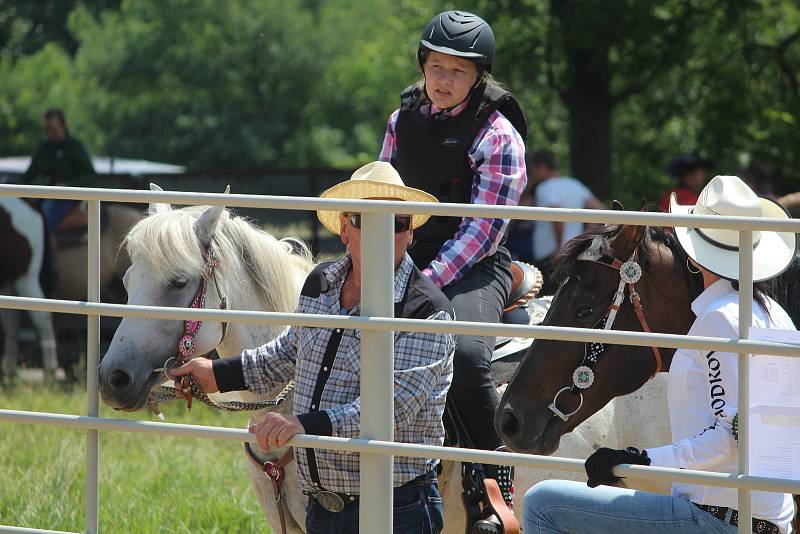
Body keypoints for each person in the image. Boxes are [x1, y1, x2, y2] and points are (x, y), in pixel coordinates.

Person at [172, 162, 455, 534]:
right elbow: (290, 351)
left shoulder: (427, 310)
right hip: (322, 505)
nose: (381, 230)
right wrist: (216, 374)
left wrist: (302, 425)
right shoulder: (321, 282)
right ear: (344, 228)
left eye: (396, 221)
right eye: (363, 217)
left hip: (397, 505)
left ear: (410, 235)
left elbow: (393, 409)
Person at [523, 175, 797, 534]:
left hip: (716, 517)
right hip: (764, 516)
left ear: (695, 255)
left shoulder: (718, 319)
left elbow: (734, 434)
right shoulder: (774, 314)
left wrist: (643, 460)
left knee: (543, 503)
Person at [378, 11, 526, 531]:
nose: (442, 80)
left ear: (478, 77)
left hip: (474, 267)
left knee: (462, 355)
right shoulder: (401, 122)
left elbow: (483, 230)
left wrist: (421, 282)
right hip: (404, 256)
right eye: (435, 67)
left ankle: (494, 485)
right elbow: (383, 199)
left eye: (457, 72)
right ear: (422, 66)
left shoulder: (498, 134)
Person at [529, 150, 603, 294]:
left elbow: (557, 214)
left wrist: (559, 245)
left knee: (545, 304)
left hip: (552, 255)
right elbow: (598, 208)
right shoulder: (574, 184)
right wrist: (586, 236)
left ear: (542, 167)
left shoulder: (544, 188)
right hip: (575, 251)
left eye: (533, 171)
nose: (533, 175)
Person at [24, 108, 96, 233]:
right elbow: (29, 174)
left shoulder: (74, 146)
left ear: (63, 126)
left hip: (66, 196)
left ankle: (47, 250)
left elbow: (90, 175)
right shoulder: (43, 148)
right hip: (43, 193)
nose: (50, 133)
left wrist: (67, 185)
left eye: (53, 128)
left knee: (45, 220)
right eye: (46, 129)